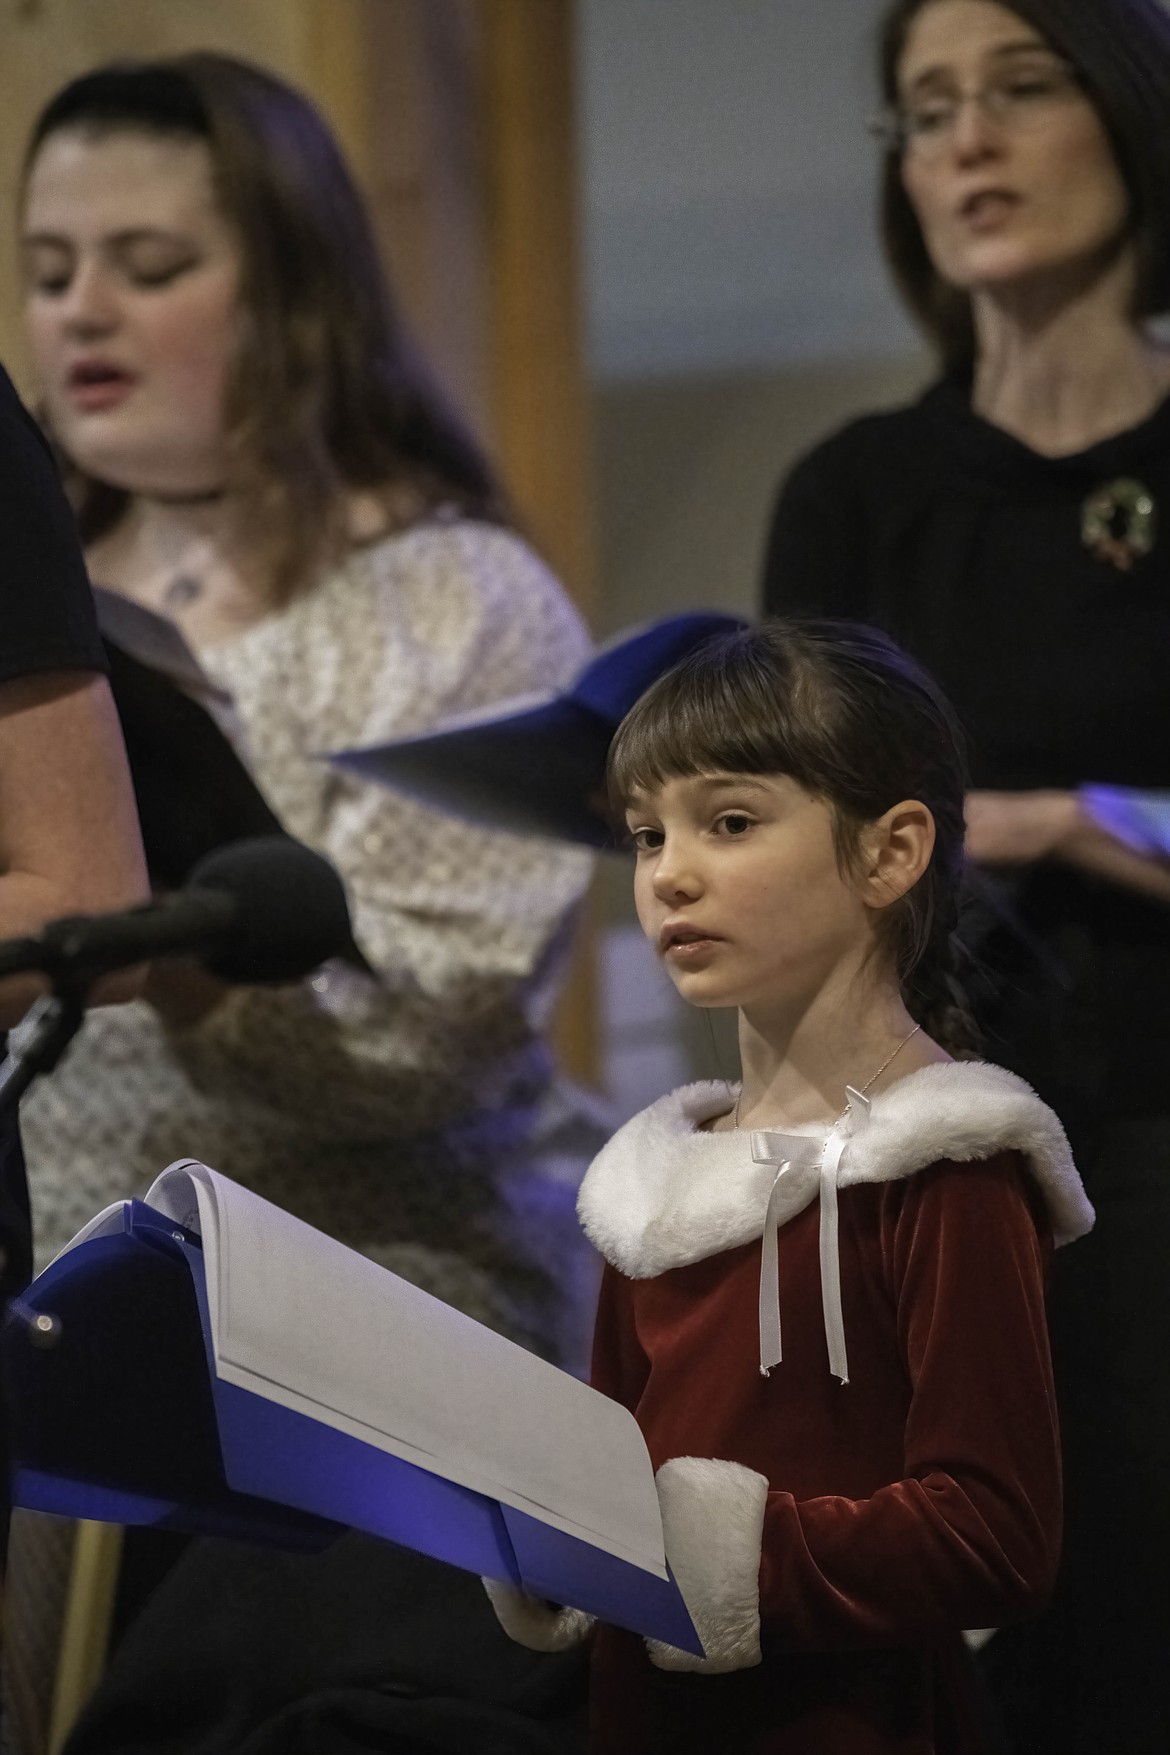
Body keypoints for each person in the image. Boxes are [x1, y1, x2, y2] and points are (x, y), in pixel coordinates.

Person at [15, 53, 598, 1753]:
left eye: (151, 263)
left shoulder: (454, 603)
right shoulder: (35, 620)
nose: (83, 314)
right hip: (44, 1315)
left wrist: (174, 947)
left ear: (292, 286)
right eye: (49, 273)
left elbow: (433, 1038)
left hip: (357, 1358)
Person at [761, 3, 1170, 1749]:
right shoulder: (856, 496)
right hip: (923, 1162)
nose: (969, 145)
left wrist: (1080, 820)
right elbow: (785, 828)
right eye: (928, 114)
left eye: (1018, 91)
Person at [486, 619, 1093, 1755]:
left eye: (729, 822)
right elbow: (618, 1462)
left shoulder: (949, 1157)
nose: (670, 872)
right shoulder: (652, 1180)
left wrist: (728, 1556)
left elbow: (998, 1537)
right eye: (645, 834)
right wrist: (557, 1539)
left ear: (889, 853)